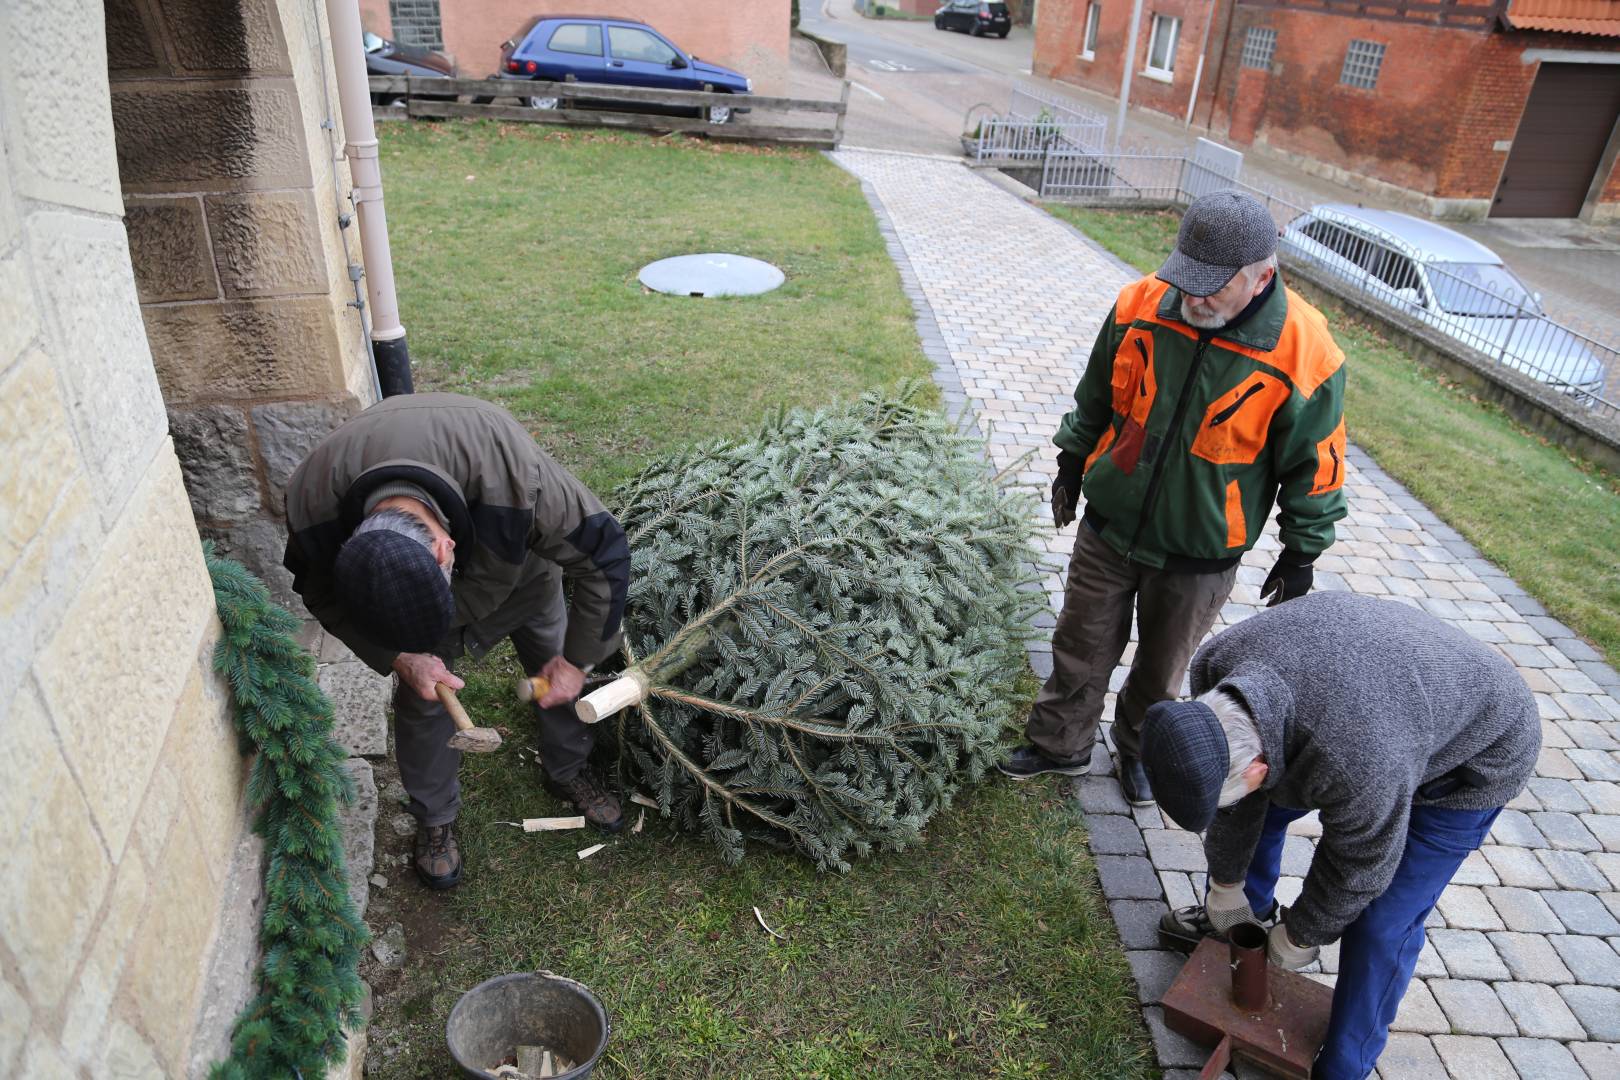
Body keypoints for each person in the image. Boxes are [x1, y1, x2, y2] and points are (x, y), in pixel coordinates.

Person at [999, 190, 1348, 804]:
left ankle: (1141, 753)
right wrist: (1072, 460)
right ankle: (1060, 744)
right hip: (1111, 525)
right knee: (1080, 644)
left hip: (1200, 551)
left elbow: (1315, 464)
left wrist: (1301, 553)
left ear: (1262, 276)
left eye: (1213, 285)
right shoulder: (1139, 304)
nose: (1193, 296)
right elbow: (1096, 393)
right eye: (1186, 276)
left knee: (1163, 669)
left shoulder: (1307, 351)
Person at [1140, 592, 1539, 1080]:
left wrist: (1302, 934)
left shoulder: (1354, 761)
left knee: (1384, 920)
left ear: (1259, 768)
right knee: (1260, 810)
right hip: (1376, 700)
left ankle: (1345, 1065)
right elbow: (1238, 800)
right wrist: (1227, 888)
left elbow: (1359, 865)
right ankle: (1244, 925)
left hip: (1476, 750)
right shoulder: (1218, 665)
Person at [282, 393, 631, 889]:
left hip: (522, 579)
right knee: (423, 699)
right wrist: (400, 656)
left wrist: (577, 661)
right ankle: (435, 817)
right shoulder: (313, 507)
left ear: (445, 548)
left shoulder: (513, 476)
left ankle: (568, 768)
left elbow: (605, 552)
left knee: (554, 666)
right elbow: (316, 590)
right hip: (422, 595)